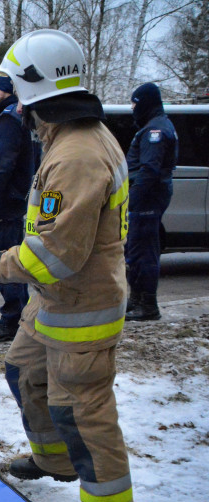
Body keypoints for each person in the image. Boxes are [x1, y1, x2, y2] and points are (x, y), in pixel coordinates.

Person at [0, 29, 133, 502]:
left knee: (81, 408)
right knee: (22, 369)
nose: (5, 96)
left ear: (32, 89)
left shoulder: (76, 155)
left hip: (83, 307)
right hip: (52, 301)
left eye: (9, 85)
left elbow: (55, 255)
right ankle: (52, 459)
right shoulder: (67, 141)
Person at [0, 74, 39, 342]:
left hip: (3, 203)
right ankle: (20, 316)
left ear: (8, 92)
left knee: (1, 264)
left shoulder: (10, 119)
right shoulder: (23, 117)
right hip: (12, 202)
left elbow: (4, 165)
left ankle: (11, 320)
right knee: (12, 260)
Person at [124, 82, 177, 322]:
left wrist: (132, 200)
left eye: (135, 103)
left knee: (143, 252)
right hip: (147, 199)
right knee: (136, 251)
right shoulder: (154, 126)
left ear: (145, 102)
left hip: (147, 200)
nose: (133, 108)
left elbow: (149, 170)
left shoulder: (155, 131)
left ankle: (148, 304)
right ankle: (136, 300)